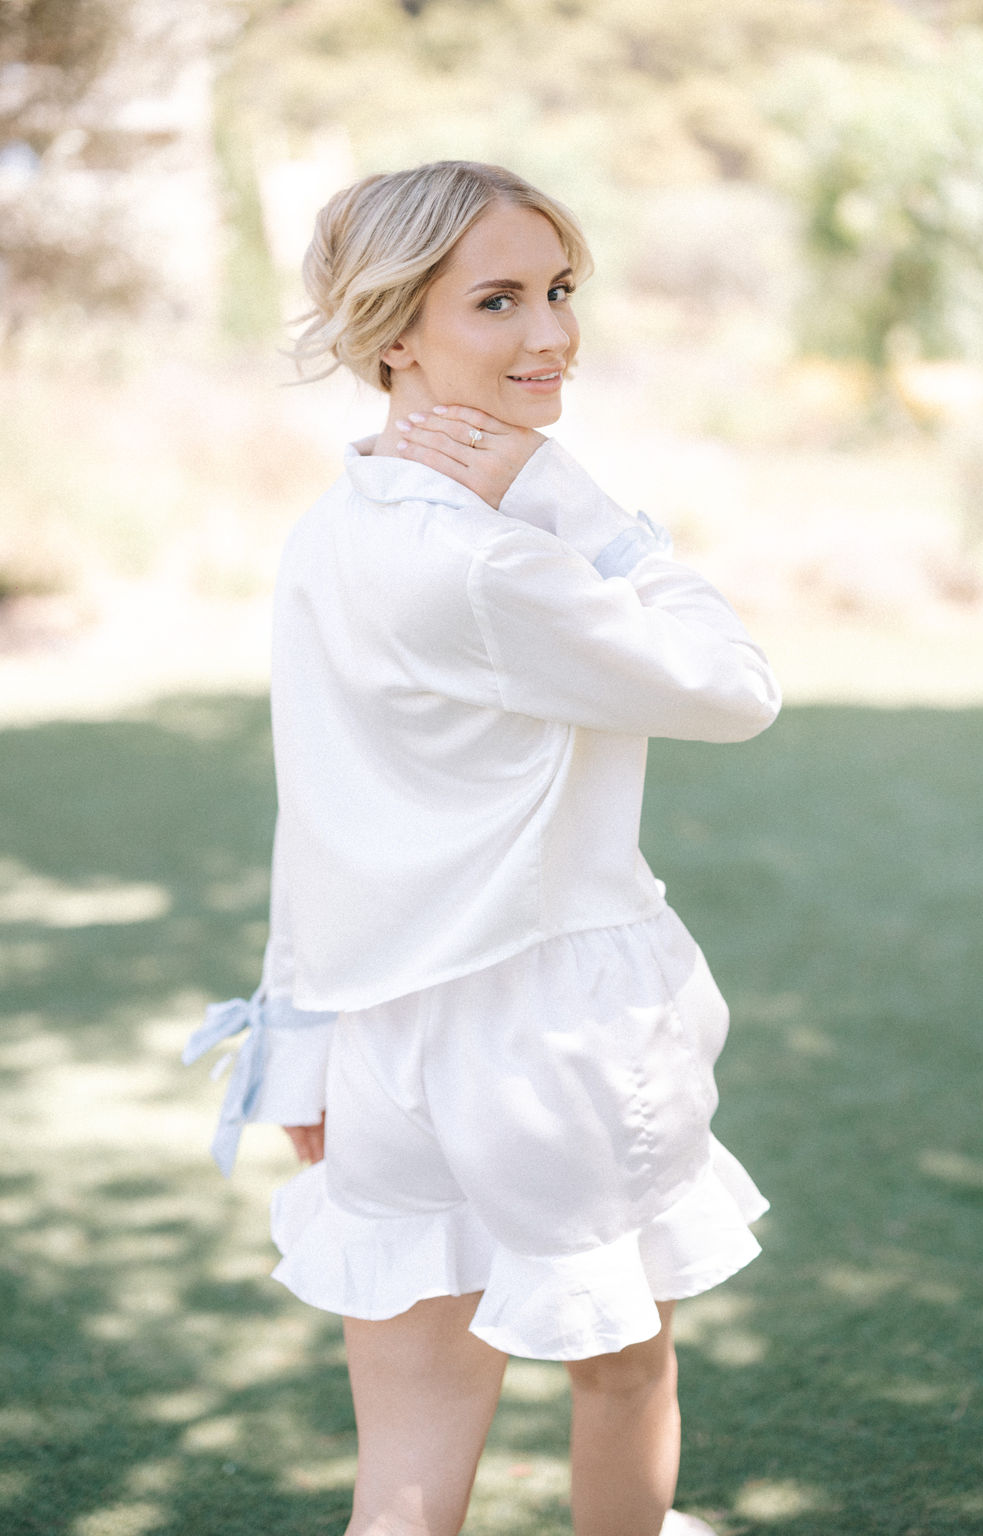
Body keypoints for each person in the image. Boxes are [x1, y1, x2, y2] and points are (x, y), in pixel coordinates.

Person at [184, 160, 781, 1536]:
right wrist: (582, 504)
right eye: (498, 300)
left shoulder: (330, 531)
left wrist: (297, 1031)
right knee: (621, 1372)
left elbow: (317, 805)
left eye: (561, 290)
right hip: (561, 1039)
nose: (552, 335)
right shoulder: (497, 561)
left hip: (391, 1036)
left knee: (409, 1445)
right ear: (396, 331)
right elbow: (737, 686)